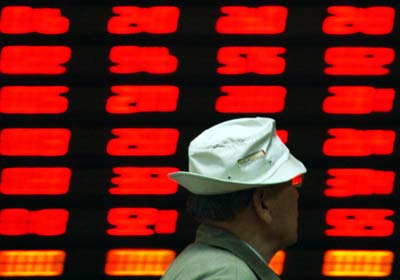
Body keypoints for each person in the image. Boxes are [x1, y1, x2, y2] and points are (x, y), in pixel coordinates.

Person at [161, 117, 307, 280]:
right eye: (293, 183)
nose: (296, 194)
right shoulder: (231, 275)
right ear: (262, 202)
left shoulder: (200, 263)